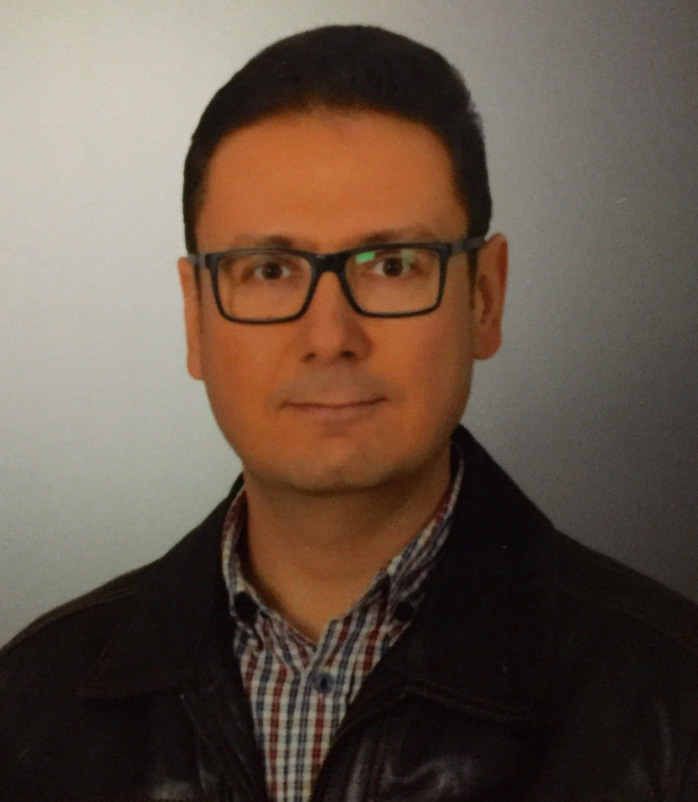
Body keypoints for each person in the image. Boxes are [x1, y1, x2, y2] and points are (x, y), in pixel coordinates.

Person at [1, 23, 697, 802]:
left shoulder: (674, 704)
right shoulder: (28, 708)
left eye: (392, 265)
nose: (330, 336)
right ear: (196, 318)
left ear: (484, 297)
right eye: (269, 270)